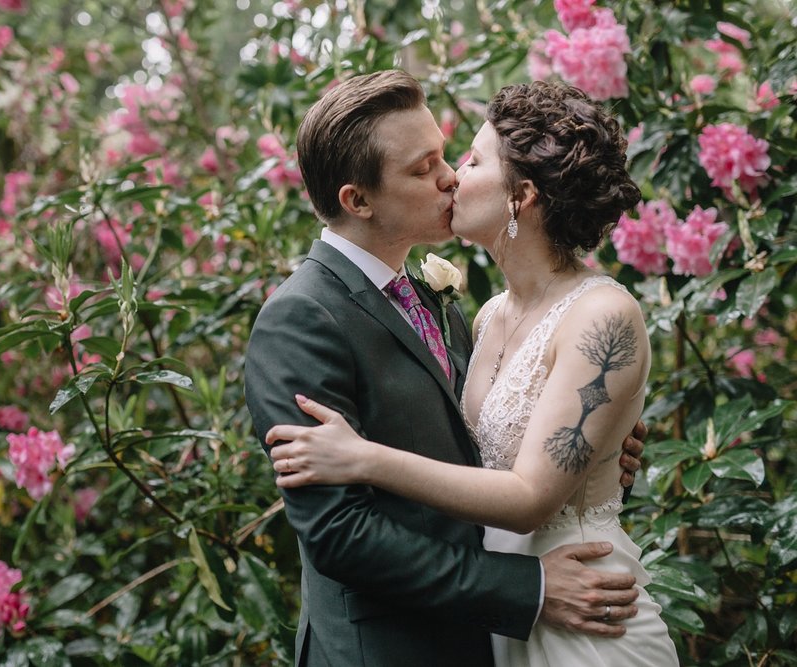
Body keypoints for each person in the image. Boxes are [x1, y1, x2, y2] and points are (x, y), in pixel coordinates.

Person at [264, 80, 679, 666]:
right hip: (455, 627)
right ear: (359, 200)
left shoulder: (543, 312)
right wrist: (526, 587)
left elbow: (525, 476)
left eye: (462, 158)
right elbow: (340, 532)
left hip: (584, 609)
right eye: (428, 166)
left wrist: (603, 454)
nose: (452, 177)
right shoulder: (470, 317)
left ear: (523, 196)